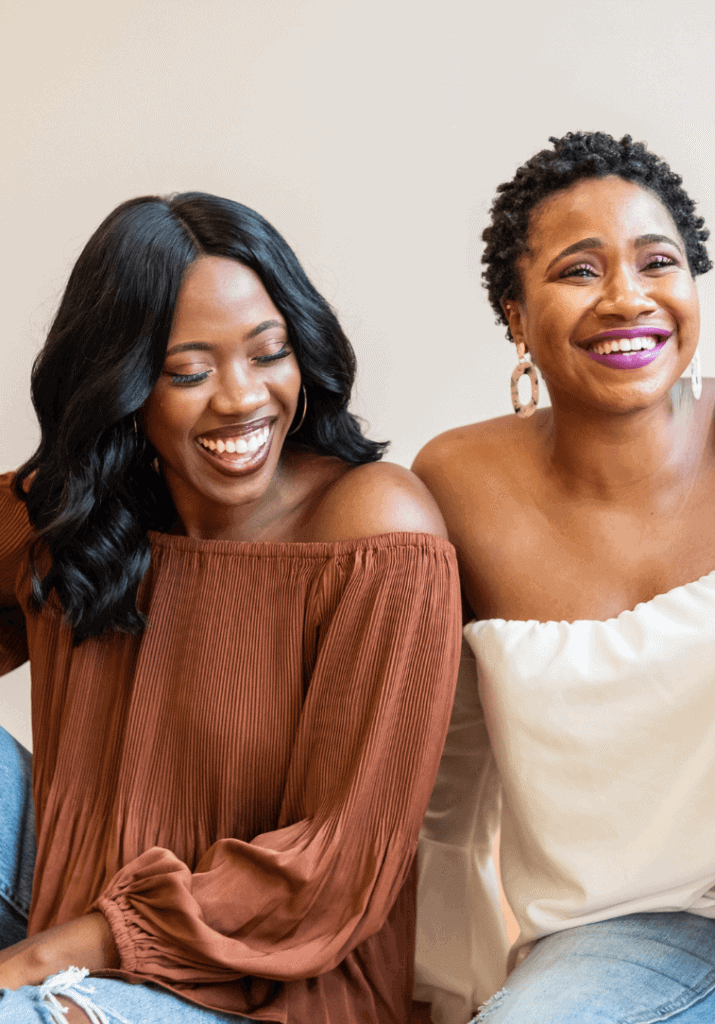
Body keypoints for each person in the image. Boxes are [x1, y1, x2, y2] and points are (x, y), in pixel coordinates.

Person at [0, 192, 462, 1024]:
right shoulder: (83, 513)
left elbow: (335, 867)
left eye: (268, 352)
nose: (241, 398)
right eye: (188, 371)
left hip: (272, 988)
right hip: (70, 906)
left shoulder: (377, 530)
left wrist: (35, 962)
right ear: (125, 387)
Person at [412, 133, 715, 1024]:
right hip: (626, 935)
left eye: (657, 262)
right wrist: (437, 986)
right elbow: (447, 772)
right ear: (514, 314)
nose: (627, 297)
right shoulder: (457, 484)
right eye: (580, 271)